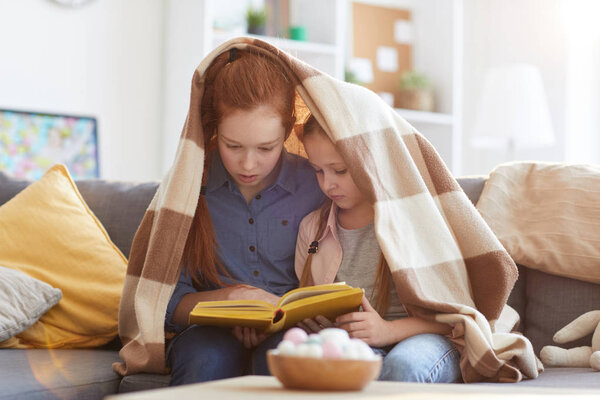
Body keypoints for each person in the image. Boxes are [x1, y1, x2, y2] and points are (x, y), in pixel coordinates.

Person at [164, 49, 324, 385]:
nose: (248, 165)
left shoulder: (320, 183)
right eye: (232, 145)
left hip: (292, 330)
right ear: (212, 130)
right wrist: (230, 298)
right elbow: (163, 301)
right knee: (205, 360)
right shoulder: (190, 185)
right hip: (207, 334)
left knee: (289, 359)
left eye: (266, 148)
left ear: (288, 131)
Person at [294, 115, 462, 383]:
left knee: (402, 368)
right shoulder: (312, 228)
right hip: (359, 341)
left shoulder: (415, 220)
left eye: (339, 170)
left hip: (427, 338)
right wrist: (318, 321)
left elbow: (456, 317)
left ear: (372, 158)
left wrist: (388, 331)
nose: (328, 184)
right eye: (318, 170)